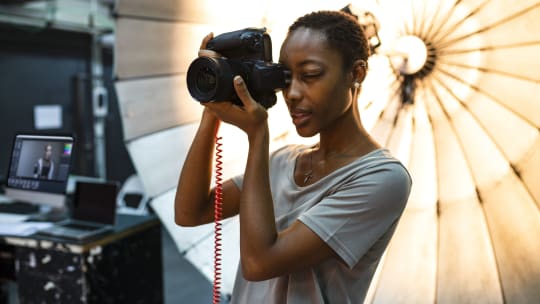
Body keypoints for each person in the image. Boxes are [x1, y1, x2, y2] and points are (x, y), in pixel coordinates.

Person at [175, 10, 412, 303]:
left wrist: (257, 135)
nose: (293, 94)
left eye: (310, 75)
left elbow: (259, 262)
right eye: (285, 78)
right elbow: (190, 212)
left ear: (357, 73)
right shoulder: (282, 161)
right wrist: (213, 104)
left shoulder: (383, 179)